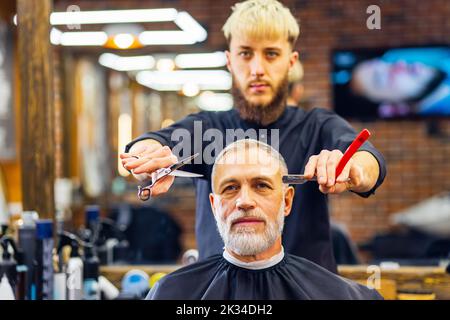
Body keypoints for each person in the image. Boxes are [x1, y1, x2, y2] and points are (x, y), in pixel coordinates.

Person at [121, 0, 386, 273]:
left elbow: (371, 163)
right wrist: (146, 159)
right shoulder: (205, 129)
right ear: (229, 60)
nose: (257, 68)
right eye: (246, 54)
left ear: (290, 62)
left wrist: (354, 169)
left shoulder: (317, 127)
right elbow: (148, 144)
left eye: (271, 54)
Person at [147, 139, 382, 299]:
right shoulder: (172, 292)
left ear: (287, 201)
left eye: (261, 185)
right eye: (230, 188)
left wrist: (361, 170)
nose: (244, 201)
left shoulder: (338, 294)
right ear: (213, 205)